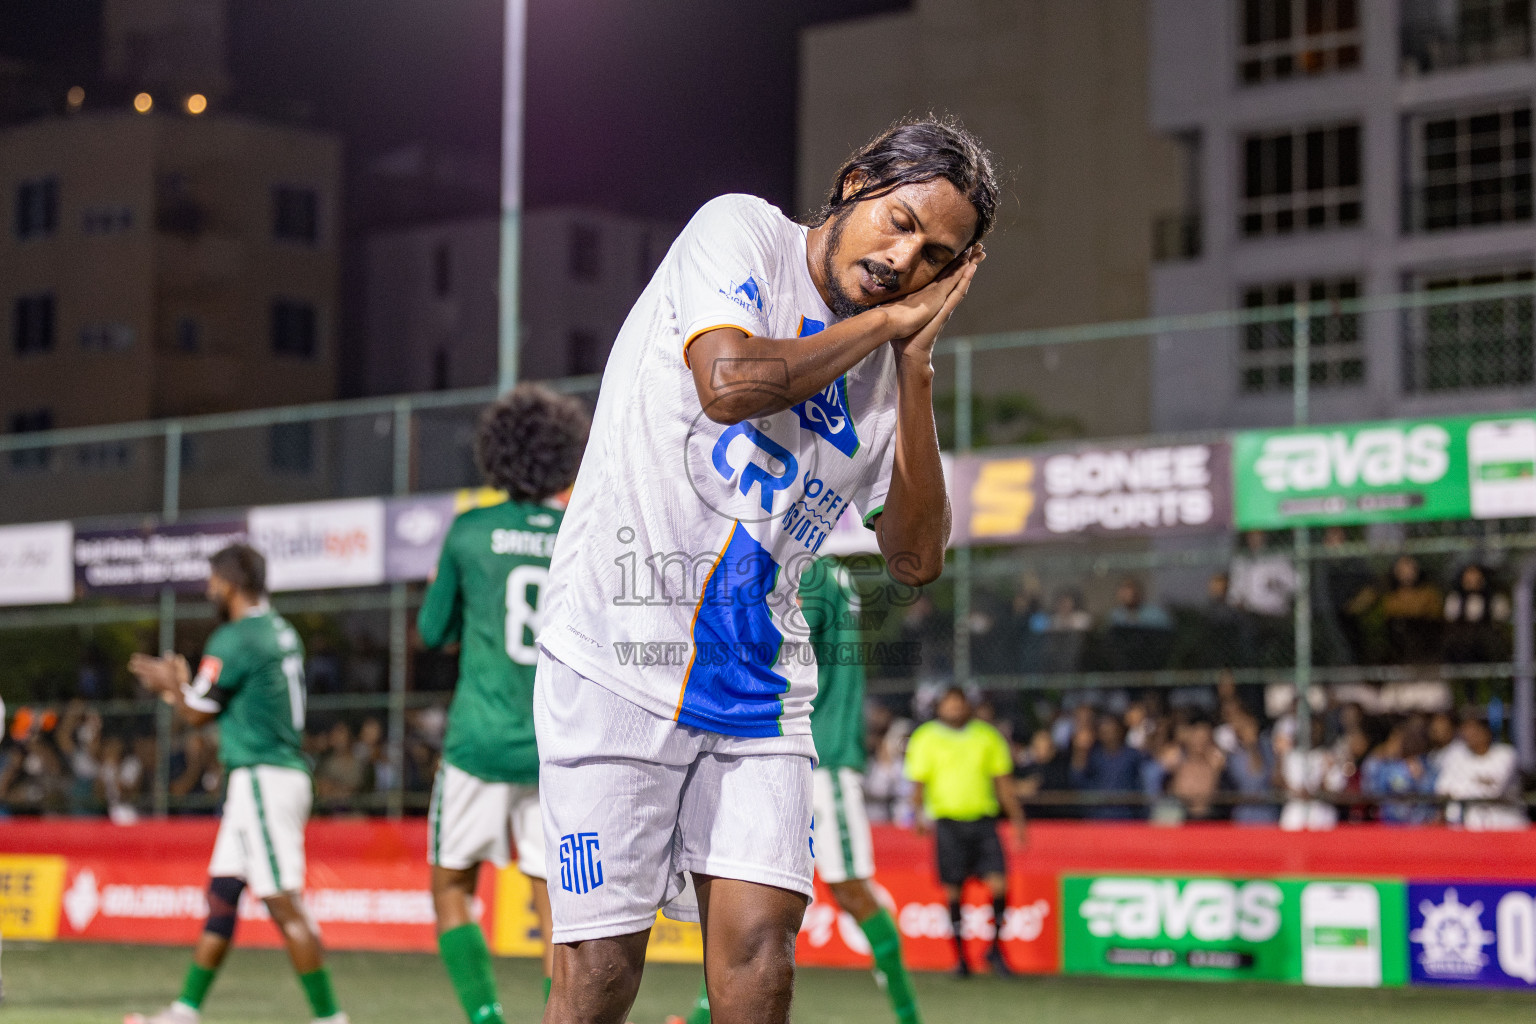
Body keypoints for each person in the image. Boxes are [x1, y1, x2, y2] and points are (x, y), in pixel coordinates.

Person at [531, 117, 995, 1024]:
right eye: (899, 220)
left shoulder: (888, 361)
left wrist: (916, 368)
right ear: (855, 182)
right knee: (599, 978)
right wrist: (882, 329)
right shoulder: (740, 231)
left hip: (759, 686)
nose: (907, 259)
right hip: (614, 657)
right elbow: (731, 380)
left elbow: (914, 558)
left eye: (938, 255)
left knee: (761, 964)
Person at [672, 557, 923, 1024]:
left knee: (849, 889)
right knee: (749, 882)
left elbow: (768, 644)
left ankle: (910, 1016)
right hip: (797, 749)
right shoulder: (829, 572)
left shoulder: (801, 571)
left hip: (814, 754)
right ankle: (706, 1012)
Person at [418, 383, 589, 1024]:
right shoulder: (579, 530)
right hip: (556, 747)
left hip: (477, 742)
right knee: (560, 908)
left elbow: (433, 633)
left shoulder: (469, 531)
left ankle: (486, 1018)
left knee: (451, 887)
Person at [124, 544, 345, 1024]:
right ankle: (185, 1011)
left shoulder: (236, 636)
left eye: (212, 579)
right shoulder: (280, 629)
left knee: (283, 903)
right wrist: (183, 688)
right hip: (275, 775)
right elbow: (207, 701)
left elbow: (196, 712)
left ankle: (331, 1018)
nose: (208, 588)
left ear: (230, 583)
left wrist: (170, 688)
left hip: (263, 776)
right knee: (224, 892)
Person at [904, 686, 1026, 978]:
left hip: (984, 822)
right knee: (953, 890)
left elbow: (1003, 783)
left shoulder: (987, 736)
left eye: (959, 703)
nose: (955, 708)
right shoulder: (925, 737)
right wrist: (917, 816)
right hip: (947, 824)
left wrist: (1018, 820)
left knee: (999, 885)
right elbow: (917, 784)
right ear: (940, 707)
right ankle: (961, 958)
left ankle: (994, 948)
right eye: (949, 703)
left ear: (968, 706)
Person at [1436, 716, 1527, 830]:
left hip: (1506, 828)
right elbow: (1442, 789)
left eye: (1473, 731)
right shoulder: (1456, 755)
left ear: (1486, 732)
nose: (1469, 735)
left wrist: (1460, 787)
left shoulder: (1506, 754)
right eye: (1465, 731)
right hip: (1471, 830)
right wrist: (1478, 781)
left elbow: (1492, 791)